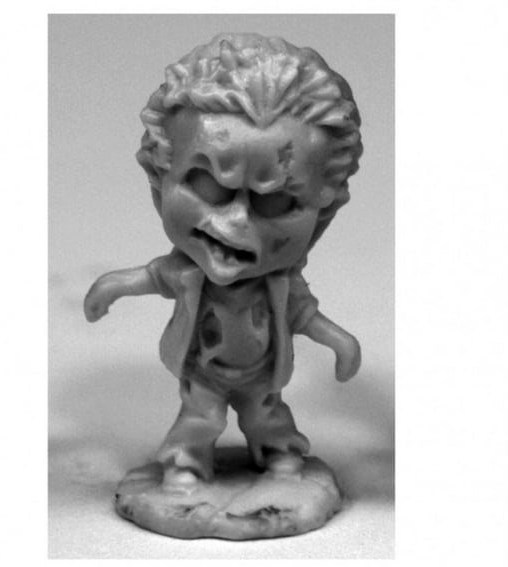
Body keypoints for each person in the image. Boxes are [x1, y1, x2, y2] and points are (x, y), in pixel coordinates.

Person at [84, 33, 363, 490]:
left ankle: (281, 456)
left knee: (267, 416)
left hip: (263, 374)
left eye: (274, 202)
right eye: (210, 187)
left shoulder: (279, 285)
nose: (236, 223)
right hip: (203, 370)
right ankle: (187, 463)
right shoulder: (187, 273)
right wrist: (110, 287)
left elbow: (305, 316)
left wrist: (340, 342)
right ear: (159, 178)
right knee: (200, 418)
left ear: (323, 211)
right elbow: (149, 277)